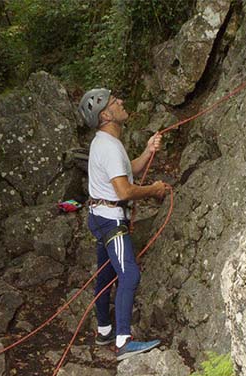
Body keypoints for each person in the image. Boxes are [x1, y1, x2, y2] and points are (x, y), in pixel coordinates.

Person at [77, 88, 167, 361]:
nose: (122, 102)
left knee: (106, 276)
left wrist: (148, 150)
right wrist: (153, 189)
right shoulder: (108, 146)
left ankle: (104, 330)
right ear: (105, 114)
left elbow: (128, 170)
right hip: (111, 221)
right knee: (129, 275)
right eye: (116, 102)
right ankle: (123, 341)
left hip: (100, 217)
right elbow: (124, 192)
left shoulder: (106, 142)